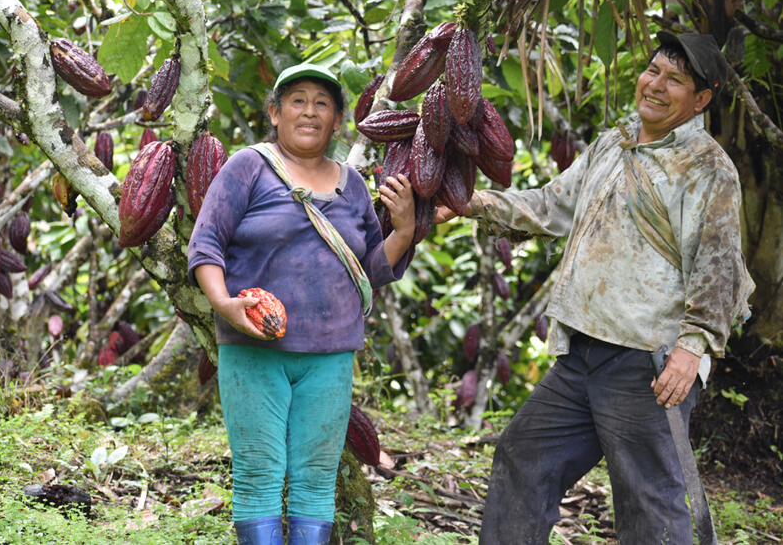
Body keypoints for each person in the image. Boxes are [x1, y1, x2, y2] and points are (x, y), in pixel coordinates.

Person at [437, 32, 754, 544]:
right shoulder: (614, 142)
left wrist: (691, 348)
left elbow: (719, 266)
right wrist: (472, 203)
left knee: (649, 503)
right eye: (653, 70)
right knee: (522, 457)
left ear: (700, 99)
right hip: (581, 352)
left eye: (675, 80)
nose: (655, 84)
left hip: (646, 362)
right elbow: (551, 205)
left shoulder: (708, 167)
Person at [187, 63, 415, 545]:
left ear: (336, 122)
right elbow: (205, 243)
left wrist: (406, 229)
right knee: (258, 474)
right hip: (254, 349)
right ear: (275, 112)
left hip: (330, 355)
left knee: (315, 481)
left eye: (322, 104)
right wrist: (223, 303)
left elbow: (370, 272)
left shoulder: (353, 184)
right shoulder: (247, 166)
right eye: (297, 100)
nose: (309, 111)